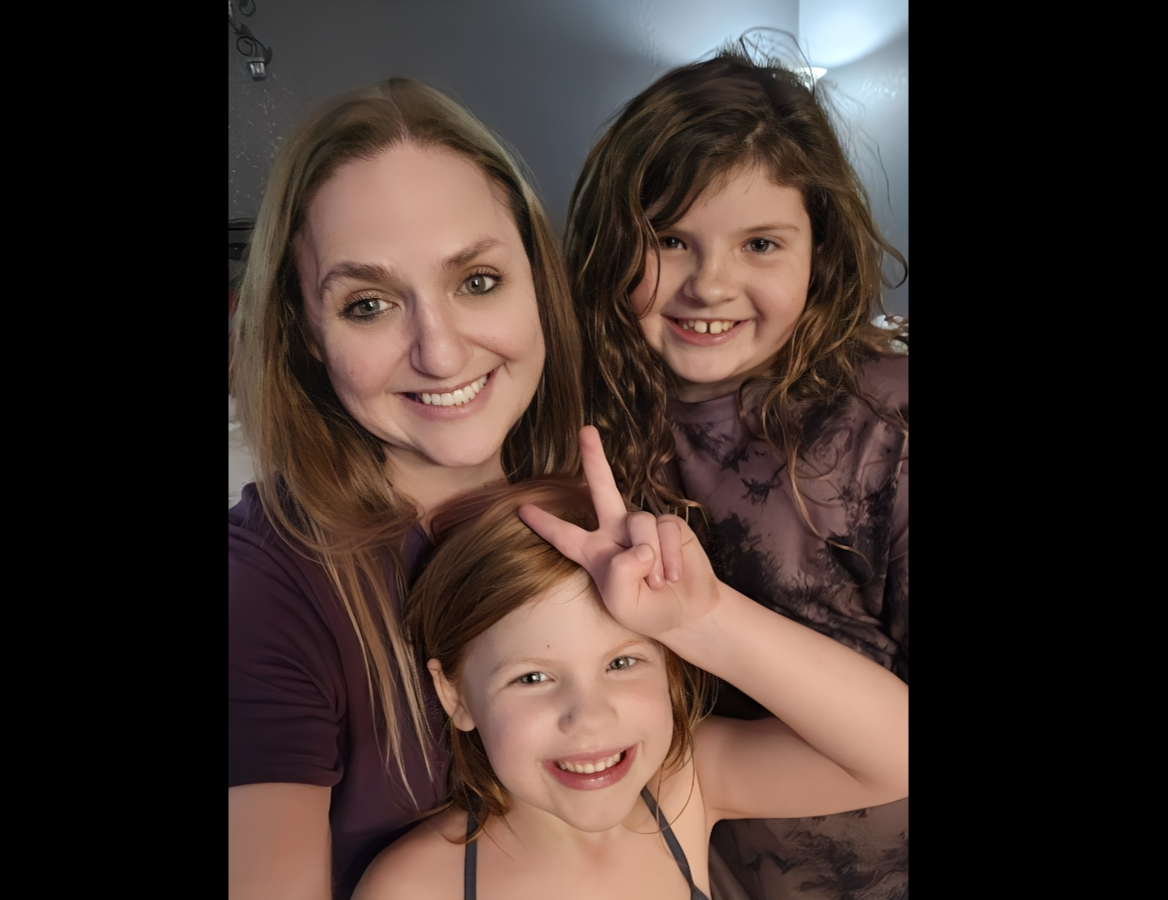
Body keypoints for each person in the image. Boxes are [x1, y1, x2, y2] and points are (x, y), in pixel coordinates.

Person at [563, 38, 910, 900]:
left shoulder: (888, 427)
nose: (710, 285)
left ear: (820, 252)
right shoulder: (582, 424)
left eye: (760, 243)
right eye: (670, 240)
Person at [228, 78, 584, 900]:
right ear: (306, 334)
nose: (440, 351)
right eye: (368, 304)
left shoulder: (598, 509)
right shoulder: (264, 590)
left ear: (537, 280)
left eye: (477, 281)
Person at [354, 428, 908, 899]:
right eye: (532, 677)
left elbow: (896, 752)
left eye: (621, 663)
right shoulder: (414, 886)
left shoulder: (686, 786)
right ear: (454, 695)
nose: (590, 717)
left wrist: (706, 620)